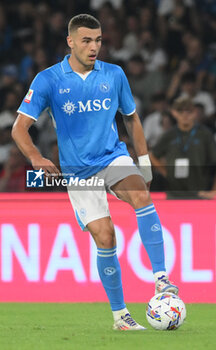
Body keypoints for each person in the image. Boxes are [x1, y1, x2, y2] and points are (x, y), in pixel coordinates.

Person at [12, 14, 178, 331]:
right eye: (87, 40)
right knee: (106, 236)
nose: (94, 47)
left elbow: (131, 118)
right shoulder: (48, 80)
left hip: (112, 157)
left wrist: (143, 162)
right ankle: (121, 316)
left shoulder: (114, 75)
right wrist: (35, 157)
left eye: (98, 40)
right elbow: (20, 128)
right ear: (70, 41)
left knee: (141, 194)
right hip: (77, 171)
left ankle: (161, 280)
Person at [149, 96, 216, 199]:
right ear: (174, 113)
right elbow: (152, 155)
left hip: (199, 193)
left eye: (189, 111)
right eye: (180, 111)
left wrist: (214, 191)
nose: (185, 114)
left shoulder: (204, 134)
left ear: (195, 112)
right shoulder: (169, 135)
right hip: (173, 194)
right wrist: (166, 172)